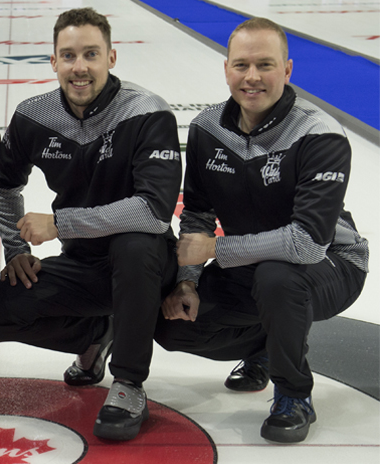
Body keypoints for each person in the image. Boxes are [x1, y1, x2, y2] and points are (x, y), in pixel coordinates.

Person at [155, 18, 368, 444]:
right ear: (227, 68)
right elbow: (196, 211)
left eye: (265, 65)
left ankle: (293, 394)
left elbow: (307, 243)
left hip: (330, 264)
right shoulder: (206, 128)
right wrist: (188, 282)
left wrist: (217, 247)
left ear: (287, 70)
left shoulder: (319, 133)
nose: (252, 77)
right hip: (249, 265)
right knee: (174, 327)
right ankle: (264, 347)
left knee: (278, 276)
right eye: (241, 65)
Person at [0, 7, 181, 441]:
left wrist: (61, 224)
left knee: (134, 244)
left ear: (111, 57)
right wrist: (16, 248)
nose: (80, 67)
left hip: (148, 262)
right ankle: (96, 334)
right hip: (85, 264)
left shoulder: (148, 112)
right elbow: (2, 187)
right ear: (53, 62)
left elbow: (153, 212)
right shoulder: (34, 116)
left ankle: (128, 383)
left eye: (91, 54)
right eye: (68, 56)